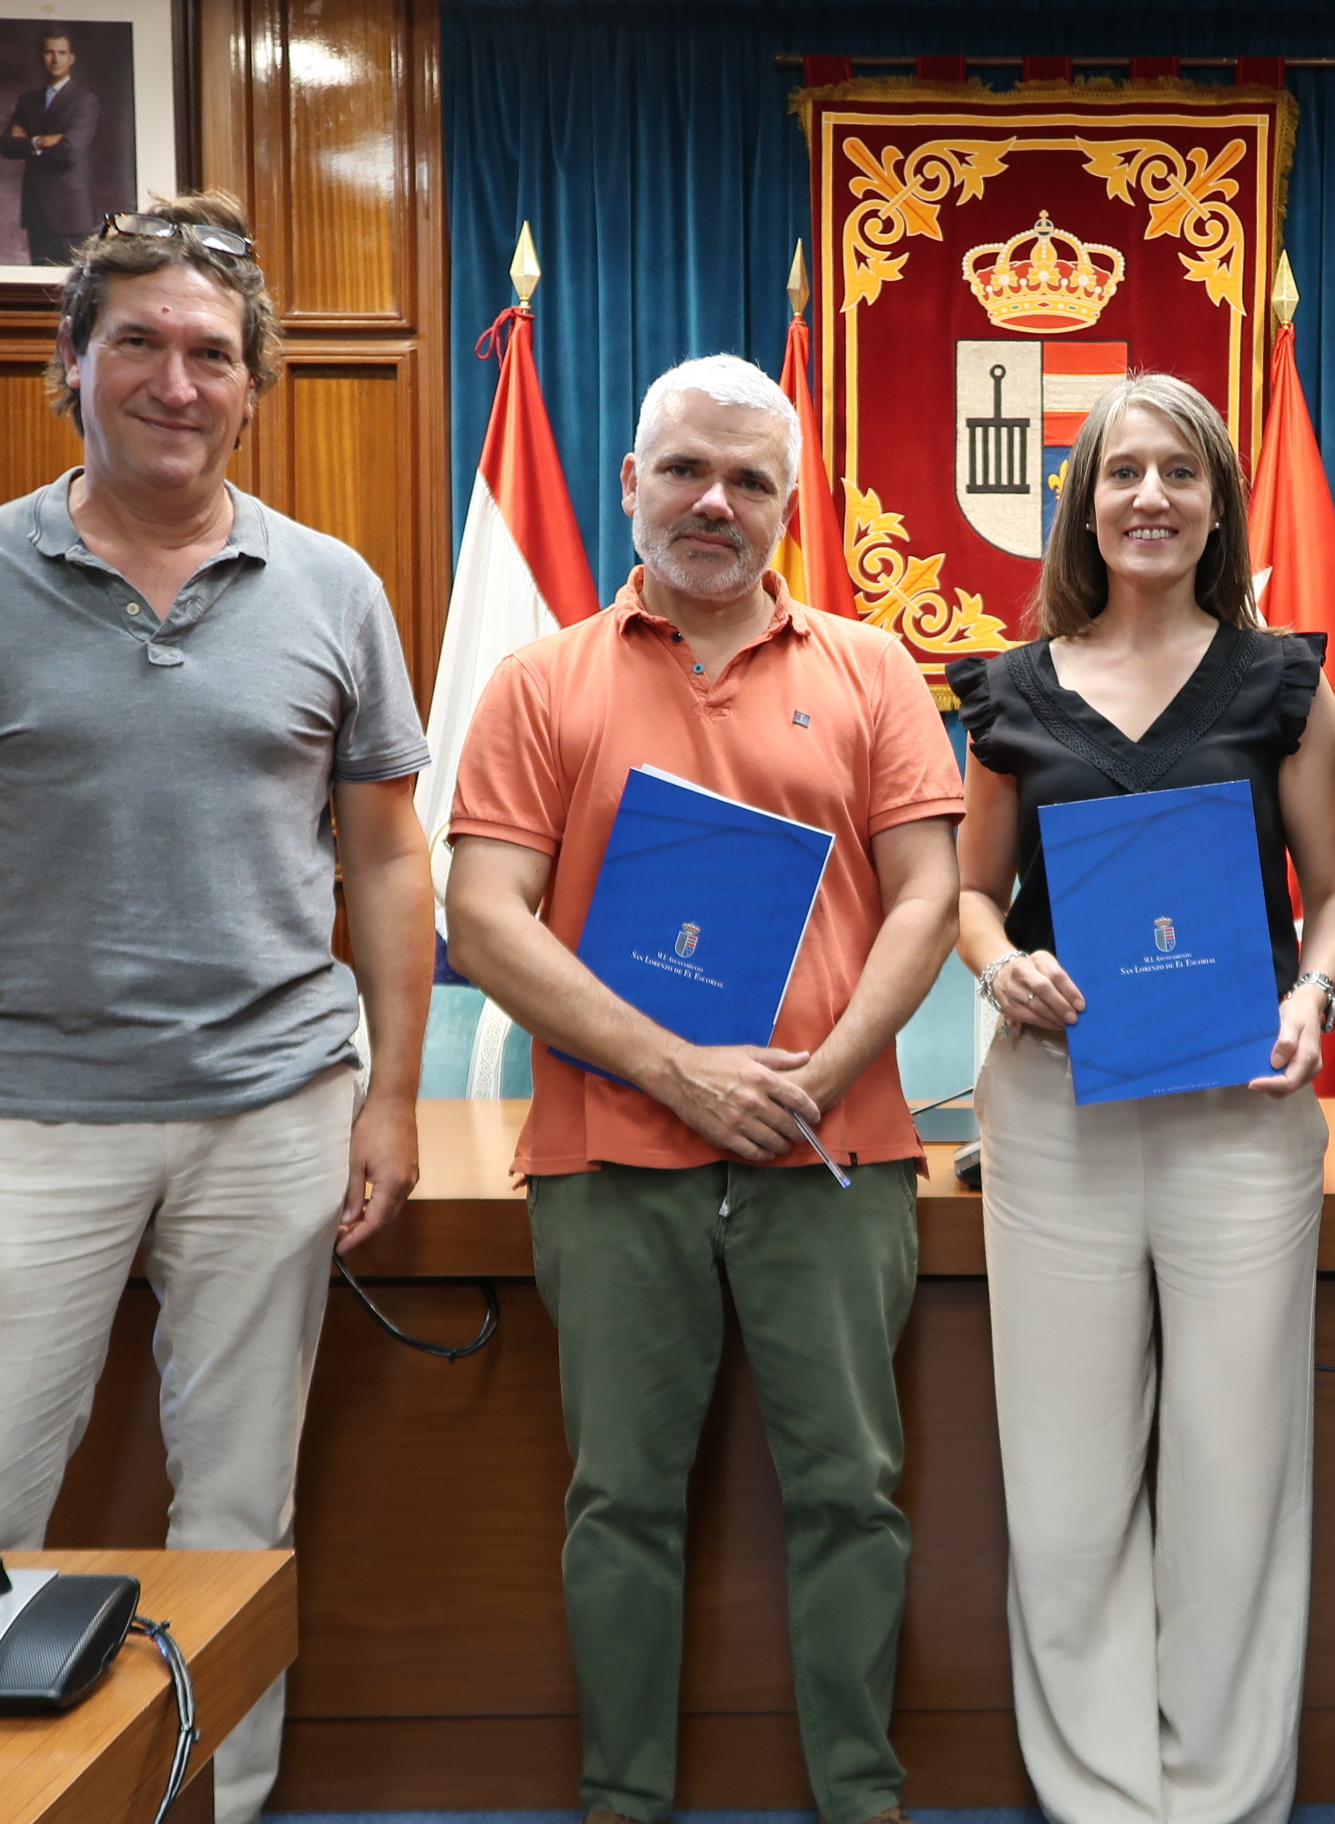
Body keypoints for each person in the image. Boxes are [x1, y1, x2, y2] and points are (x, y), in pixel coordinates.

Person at [0, 191, 434, 1824]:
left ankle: (214, 1804)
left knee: (239, 1510)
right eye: (140, 344)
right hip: (21, 1119)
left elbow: (385, 861)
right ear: (71, 364)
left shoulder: (333, 588)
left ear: (253, 386)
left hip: (274, 1113)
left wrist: (388, 1097)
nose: (177, 379)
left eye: (213, 354)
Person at [443, 354, 963, 1824]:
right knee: (619, 1501)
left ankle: (860, 1800)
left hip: (832, 1150)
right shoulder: (539, 681)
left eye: (749, 480)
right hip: (612, 1158)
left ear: (793, 505)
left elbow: (928, 899)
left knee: (852, 1496)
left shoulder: (872, 671)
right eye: (684, 470)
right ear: (631, 485)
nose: (714, 503)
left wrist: (818, 1077)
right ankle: (624, 1802)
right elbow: (485, 916)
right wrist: (682, 1072)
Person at [948, 372, 1335, 1824]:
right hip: (1057, 1119)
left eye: (1178, 474)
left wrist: (1311, 993)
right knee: (1063, 1497)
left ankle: (1224, 1798)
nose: (1150, 499)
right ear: (1084, 500)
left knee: (1233, 1475)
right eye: (1123, 472)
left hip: (1240, 1119)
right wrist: (1000, 970)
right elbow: (971, 904)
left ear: (1215, 502)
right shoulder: (1011, 691)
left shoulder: (1281, 682)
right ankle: (1100, 1799)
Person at [0, 30, 99, 265]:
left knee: (75, 289)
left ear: (71, 58)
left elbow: (69, 151)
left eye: (61, 53)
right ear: (41, 57)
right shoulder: (28, 101)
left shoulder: (84, 100)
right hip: (37, 210)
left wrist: (27, 142)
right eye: (49, 52)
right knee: (39, 289)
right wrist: (39, 141)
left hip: (72, 213)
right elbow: (5, 145)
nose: (55, 59)